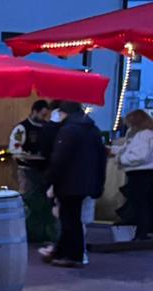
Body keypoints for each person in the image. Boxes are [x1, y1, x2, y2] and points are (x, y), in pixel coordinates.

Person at [40, 100, 107, 268]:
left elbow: (59, 159)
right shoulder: (92, 129)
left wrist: (49, 180)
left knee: (69, 220)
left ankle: (71, 255)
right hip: (86, 182)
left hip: (68, 182)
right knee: (73, 218)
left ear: (63, 113)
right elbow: (101, 158)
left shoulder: (68, 130)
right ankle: (63, 252)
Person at [8, 99, 57, 243]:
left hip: (44, 170)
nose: (44, 118)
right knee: (30, 200)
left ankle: (42, 233)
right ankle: (28, 232)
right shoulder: (22, 128)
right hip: (27, 170)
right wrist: (28, 155)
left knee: (43, 203)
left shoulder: (47, 127)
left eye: (46, 115)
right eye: (42, 115)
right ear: (34, 111)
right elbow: (14, 149)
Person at [112, 108, 153, 241]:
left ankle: (141, 233)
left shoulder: (143, 135)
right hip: (145, 173)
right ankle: (143, 232)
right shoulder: (145, 134)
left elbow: (139, 155)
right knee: (144, 203)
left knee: (139, 204)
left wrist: (120, 158)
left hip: (140, 173)